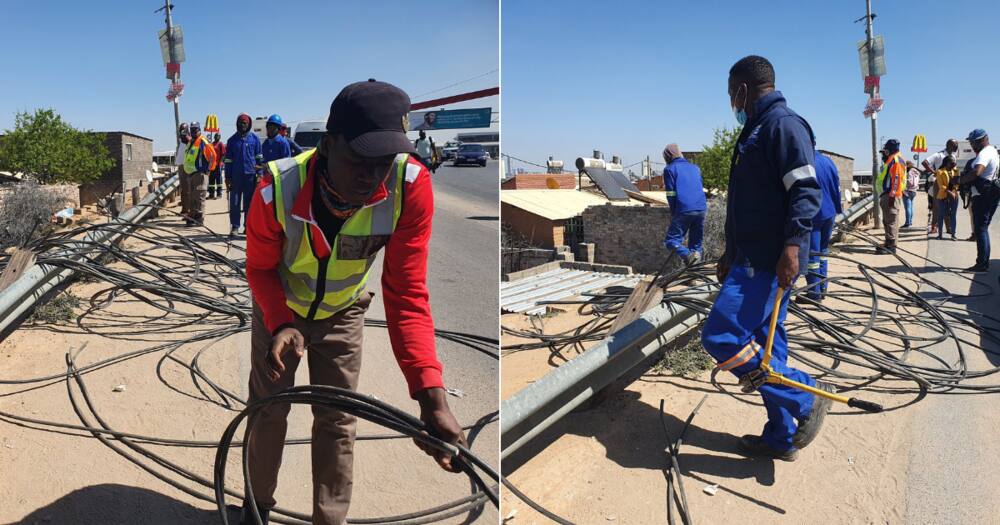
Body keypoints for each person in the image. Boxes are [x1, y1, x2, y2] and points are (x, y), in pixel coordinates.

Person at [241, 79, 464, 525]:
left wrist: (430, 396)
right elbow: (261, 268)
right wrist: (281, 322)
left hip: (343, 315)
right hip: (280, 312)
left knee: (338, 422)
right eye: (359, 159)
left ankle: (330, 520)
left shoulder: (409, 186)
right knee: (269, 413)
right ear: (328, 145)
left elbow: (406, 294)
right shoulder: (276, 189)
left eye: (384, 161)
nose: (372, 176)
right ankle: (254, 508)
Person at [701, 56, 828, 462]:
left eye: (730, 94)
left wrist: (792, 247)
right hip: (749, 256)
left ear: (742, 89)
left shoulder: (782, 126)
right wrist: (729, 251)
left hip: (768, 261)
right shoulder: (756, 130)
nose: (731, 103)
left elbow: (806, 191)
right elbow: (748, 203)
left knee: (721, 336)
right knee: (767, 347)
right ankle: (781, 437)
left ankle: (803, 398)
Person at [801, 146, 841, 302]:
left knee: (812, 254)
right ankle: (823, 287)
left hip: (814, 214)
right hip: (829, 212)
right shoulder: (828, 161)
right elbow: (836, 186)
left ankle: (814, 293)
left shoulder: (805, 162)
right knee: (823, 251)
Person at [957, 129, 1000, 271]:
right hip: (990, 194)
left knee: (980, 229)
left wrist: (960, 180)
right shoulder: (993, 151)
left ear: (982, 140)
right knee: (983, 229)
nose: (971, 144)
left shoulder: (985, 153)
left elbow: (977, 172)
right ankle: (983, 261)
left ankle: (982, 263)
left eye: (973, 142)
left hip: (983, 196)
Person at [660, 143, 706, 265]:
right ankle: (693, 275)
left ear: (668, 156)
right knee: (696, 246)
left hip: (684, 208)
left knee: (671, 240)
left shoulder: (669, 169)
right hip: (701, 208)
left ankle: (687, 255)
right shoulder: (695, 168)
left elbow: (671, 194)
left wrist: (674, 212)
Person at [225, 113, 263, 237]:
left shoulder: (255, 139)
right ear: (237, 124)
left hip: (250, 177)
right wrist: (227, 177)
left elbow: (259, 159)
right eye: (240, 123)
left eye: (245, 123)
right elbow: (228, 161)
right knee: (235, 203)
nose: (242, 125)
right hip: (236, 177)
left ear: (249, 125)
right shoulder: (231, 141)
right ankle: (235, 227)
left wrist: (260, 174)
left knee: (249, 203)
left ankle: (248, 226)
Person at [182, 121, 217, 226]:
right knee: (193, 197)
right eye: (192, 129)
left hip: (200, 174)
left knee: (199, 197)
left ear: (199, 130)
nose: (193, 131)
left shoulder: (203, 141)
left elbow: (213, 156)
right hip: (191, 174)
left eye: (195, 129)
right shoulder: (192, 141)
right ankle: (193, 216)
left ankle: (199, 218)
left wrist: (208, 170)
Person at [922, 138, 959, 237]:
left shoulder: (954, 156)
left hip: (950, 183)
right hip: (939, 184)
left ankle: (949, 228)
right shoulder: (939, 155)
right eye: (954, 145)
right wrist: (934, 172)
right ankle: (934, 227)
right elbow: (925, 162)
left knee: (949, 206)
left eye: (957, 145)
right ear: (948, 145)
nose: (956, 147)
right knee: (937, 206)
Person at [876, 139, 906, 254]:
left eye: (886, 149)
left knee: (891, 221)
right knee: (888, 221)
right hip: (888, 194)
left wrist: (892, 195)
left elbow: (896, 180)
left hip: (891, 195)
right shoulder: (892, 159)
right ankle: (888, 242)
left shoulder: (896, 160)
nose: (885, 152)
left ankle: (891, 246)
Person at [934, 155, 959, 240]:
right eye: (952, 163)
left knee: (953, 215)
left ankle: (953, 235)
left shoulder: (956, 171)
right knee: (941, 215)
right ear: (947, 163)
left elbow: (957, 183)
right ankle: (940, 235)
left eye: (954, 162)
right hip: (943, 197)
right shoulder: (940, 172)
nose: (954, 164)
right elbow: (941, 186)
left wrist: (954, 191)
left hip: (954, 196)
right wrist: (949, 192)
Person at [174, 123, 191, 219]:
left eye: (183, 130)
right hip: (181, 166)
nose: (181, 132)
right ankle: (184, 209)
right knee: (183, 190)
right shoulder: (181, 140)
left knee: (188, 190)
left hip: (187, 166)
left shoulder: (189, 140)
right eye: (180, 130)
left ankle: (188, 211)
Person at [209, 133, 227, 199]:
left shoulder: (220, 144)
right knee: (211, 180)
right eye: (216, 136)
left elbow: (223, 154)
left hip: (218, 165)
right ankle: (211, 194)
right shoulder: (212, 144)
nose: (217, 137)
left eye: (218, 136)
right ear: (214, 137)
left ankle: (219, 194)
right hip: (212, 165)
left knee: (219, 180)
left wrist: (220, 162)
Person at [903, 160, 920, 228]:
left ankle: (908, 223)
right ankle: (910, 221)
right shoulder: (915, 172)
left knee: (907, 208)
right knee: (911, 207)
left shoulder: (908, 172)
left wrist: (903, 185)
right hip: (914, 190)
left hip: (907, 191)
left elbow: (909, 182)